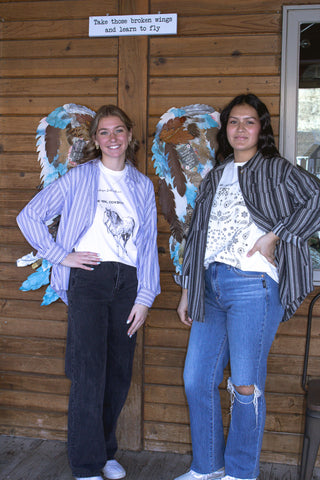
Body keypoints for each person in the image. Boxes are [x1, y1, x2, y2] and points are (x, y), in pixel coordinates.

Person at [174, 93, 320, 480]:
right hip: (210, 283)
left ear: (261, 128)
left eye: (249, 121)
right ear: (225, 129)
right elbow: (197, 237)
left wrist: (277, 235)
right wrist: (189, 288)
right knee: (196, 380)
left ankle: (240, 473)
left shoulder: (275, 168)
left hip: (252, 285)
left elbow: (316, 197)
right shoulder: (215, 175)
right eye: (234, 122)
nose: (241, 129)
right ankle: (207, 467)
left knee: (244, 384)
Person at [17, 105, 160, 480]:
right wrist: (61, 256)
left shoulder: (142, 186)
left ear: (129, 136)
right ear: (95, 140)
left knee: (118, 373)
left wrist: (145, 297)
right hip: (90, 280)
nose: (112, 138)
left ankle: (105, 452)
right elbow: (28, 216)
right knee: (89, 371)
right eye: (104, 132)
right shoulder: (79, 177)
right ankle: (86, 464)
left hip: (128, 284)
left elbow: (146, 244)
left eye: (119, 131)